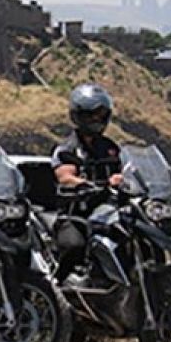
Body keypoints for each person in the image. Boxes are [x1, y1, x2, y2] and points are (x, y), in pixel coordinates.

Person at [50, 83, 125, 281]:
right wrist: (85, 183)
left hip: (110, 212)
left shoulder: (110, 147)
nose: (96, 120)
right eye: (91, 115)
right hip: (76, 214)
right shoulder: (68, 149)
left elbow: (126, 171)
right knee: (74, 246)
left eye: (101, 115)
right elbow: (65, 176)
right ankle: (55, 287)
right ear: (78, 116)